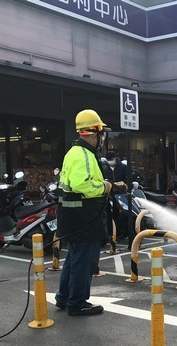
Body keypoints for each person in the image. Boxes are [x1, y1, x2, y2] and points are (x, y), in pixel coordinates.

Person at [54, 109, 125, 316]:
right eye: (100, 135)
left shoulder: (75, 153)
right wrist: (107, 187)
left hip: (73, 216)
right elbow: (81, 184)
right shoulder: (83, 154)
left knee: (75, 259)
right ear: (94, 133)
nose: (101, 139)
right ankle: (77, 302)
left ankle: (64, 297)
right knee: (84, 261)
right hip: (84, 217)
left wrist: (107, 184)